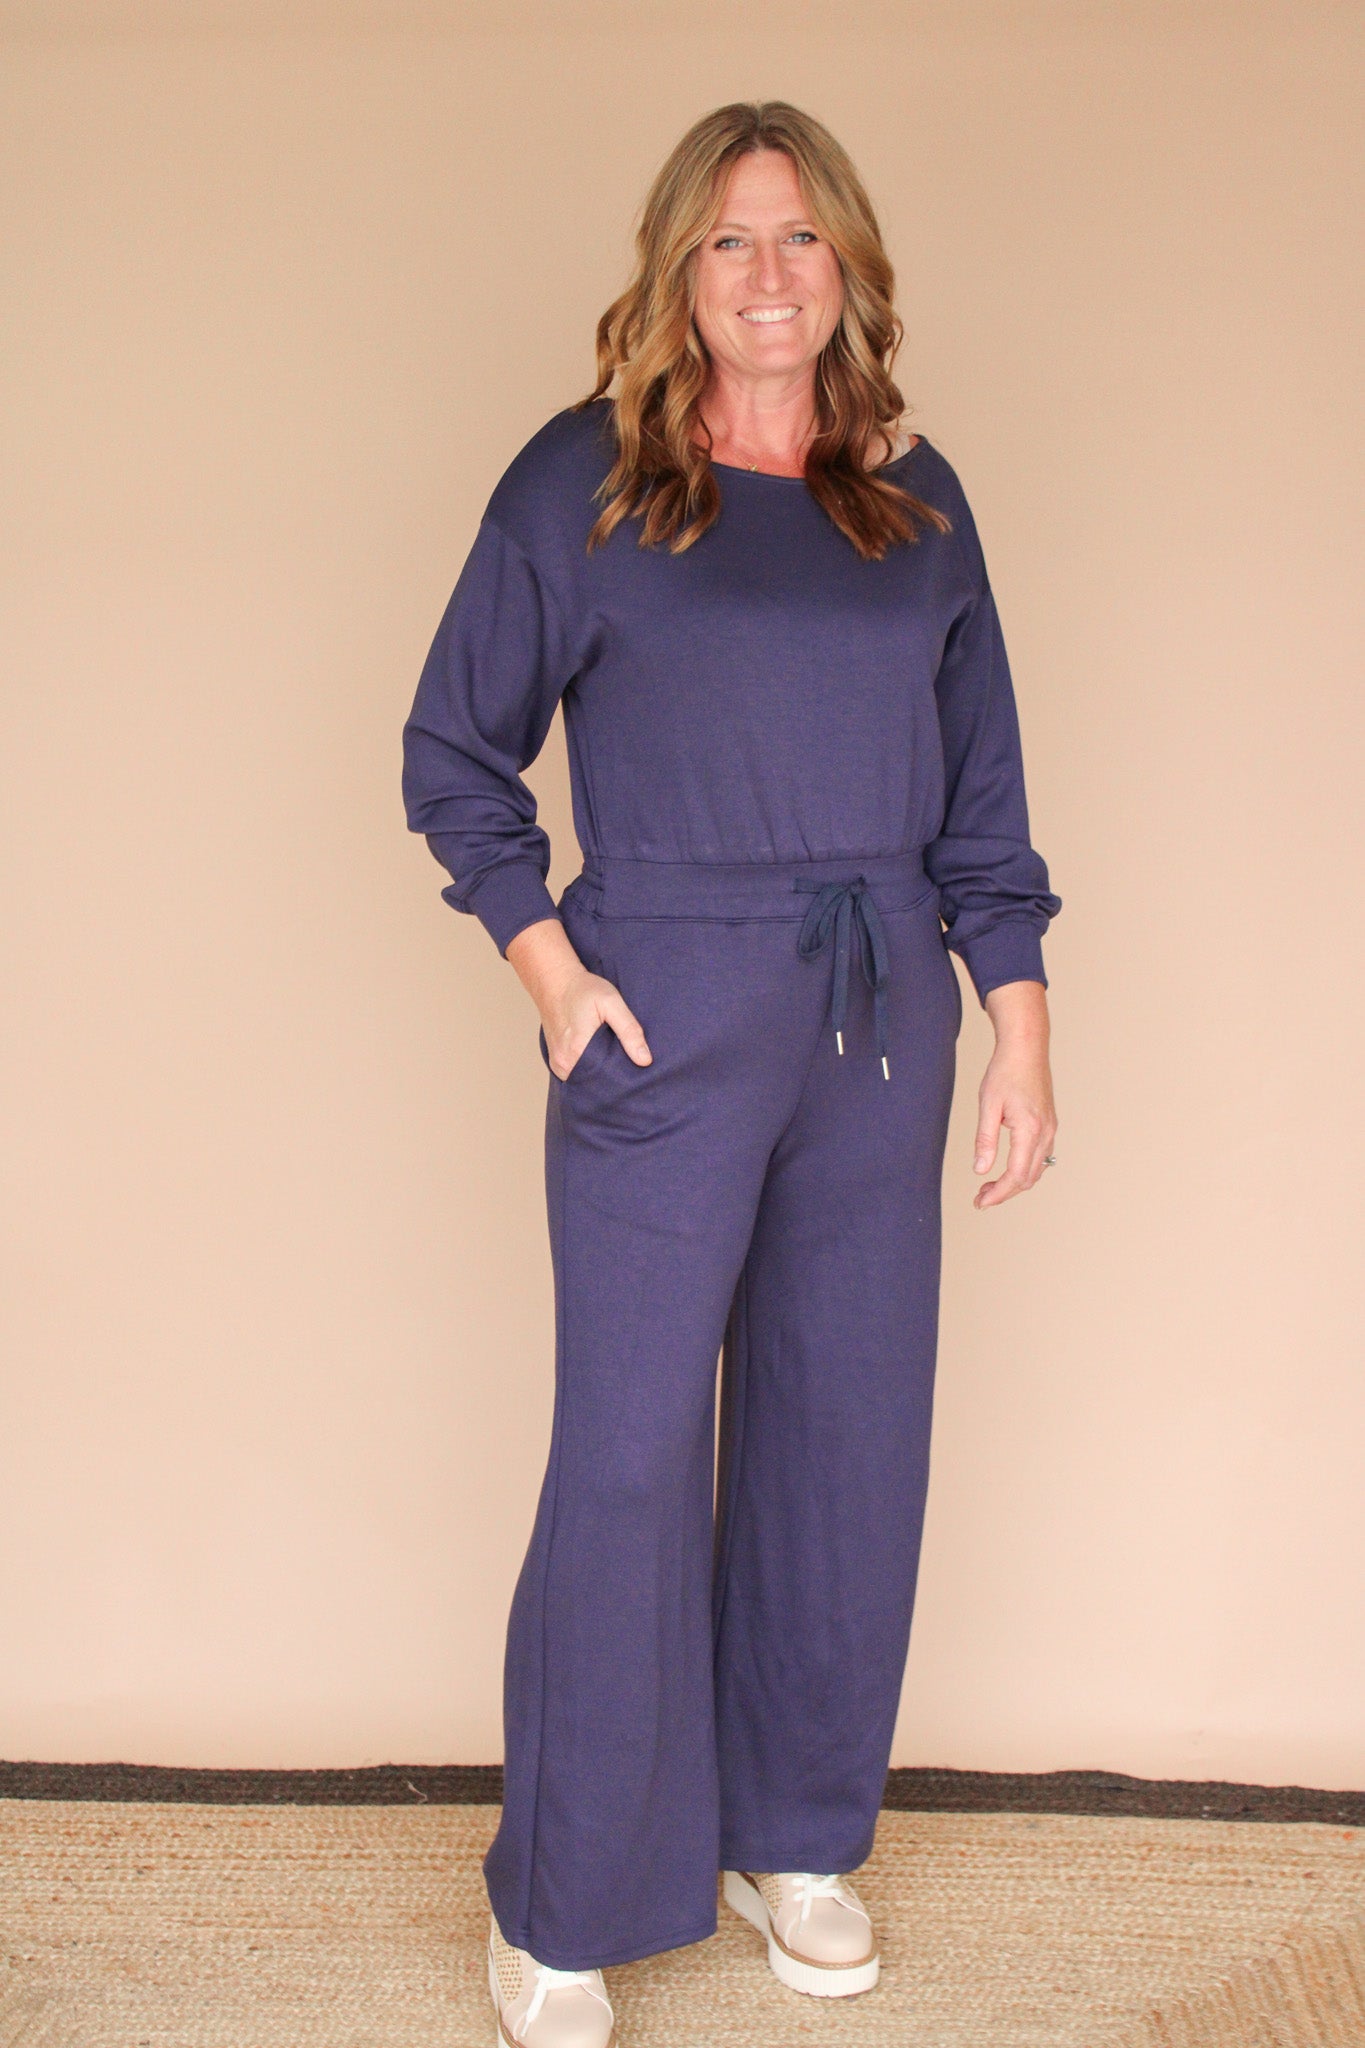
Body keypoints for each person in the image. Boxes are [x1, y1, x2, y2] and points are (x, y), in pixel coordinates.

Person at [402, 98, 1061, 2048]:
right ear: (676, 271)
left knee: (844, 1435)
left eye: (798, 238)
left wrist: (1018, 1023)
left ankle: (796, 1837)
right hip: (664, 1001)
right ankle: (565, 1901)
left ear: (845, 262)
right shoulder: (586, 482)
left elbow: (984, 803)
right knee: (625, 1455)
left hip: (882, 1017)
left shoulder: (912, 501)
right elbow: (455, 750)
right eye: (728, 241)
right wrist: (549, 972)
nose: (768, 275)